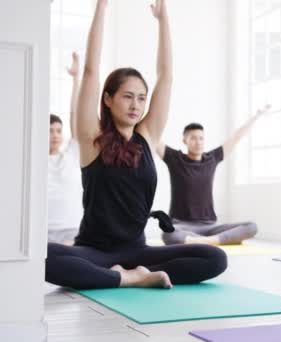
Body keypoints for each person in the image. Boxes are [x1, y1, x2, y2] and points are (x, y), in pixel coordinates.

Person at [45, 0, 227, 290]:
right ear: (108, 98)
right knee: (42, 257)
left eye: (141, 98)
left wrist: (163, 18)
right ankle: (126, 278)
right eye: (128, 96)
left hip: (138, 251)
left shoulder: (147, 136)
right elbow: (91, 72)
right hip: (95, 252)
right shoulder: (92, 138)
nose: (136, 105)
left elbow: (166, 77)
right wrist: (102, 8)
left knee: (215, 259)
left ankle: (132, 274)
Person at [155, 105, 270, 246]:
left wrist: (256, 116)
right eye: (193, 138)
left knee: (252, 226)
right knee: (168, 233)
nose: (198, 142)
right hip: (183, 225)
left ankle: (205, 241)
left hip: (210, 226)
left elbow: (236, 137)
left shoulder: (212, 158)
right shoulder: (175, 159)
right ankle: (211, 241)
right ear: (184, 140)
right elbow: (152, 136)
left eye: (201, 138)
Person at [48, 52, 82, 245]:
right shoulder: (33, 160)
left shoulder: (71, 154)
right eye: (50, 131)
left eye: (59, 131)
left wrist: (75, 79)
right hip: (43, 231)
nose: (55, 135)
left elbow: (76, 115)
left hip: (72, 230)